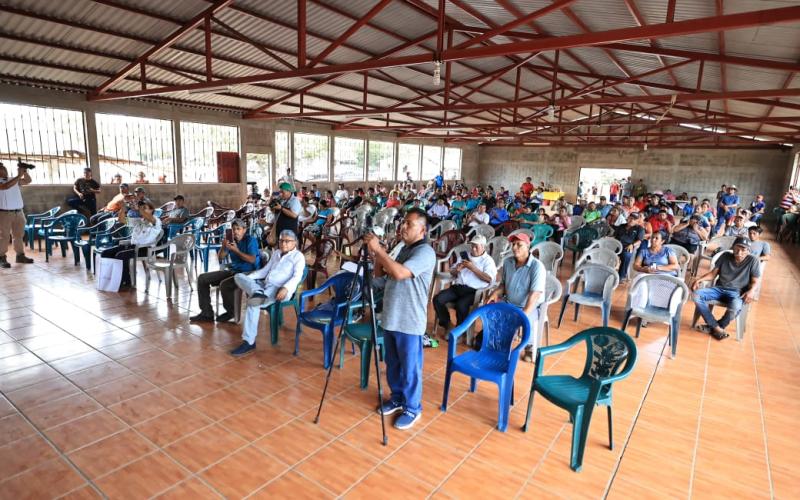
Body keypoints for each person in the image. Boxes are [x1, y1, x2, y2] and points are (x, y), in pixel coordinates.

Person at [369, 209, 436, 430]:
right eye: (403, 223)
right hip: (392, 315)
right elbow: (381, 277)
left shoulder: (425, 252)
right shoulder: (403, 249)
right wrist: (378, 256)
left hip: (409, 319)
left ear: (422, 230)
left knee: (410, 367)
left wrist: (380, 251)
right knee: (393, 364)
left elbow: (399, 273)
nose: (403, 227)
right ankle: (397, 398)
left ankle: (413, 407)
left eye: (409, 224)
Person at [229, 230, 306, 356]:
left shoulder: (298, 257)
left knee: (253, 303)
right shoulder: (276, 253)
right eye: (281, 240)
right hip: (264, 285)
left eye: (287, 241)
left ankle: (249, 342)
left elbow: (297, 277)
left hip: (279, 290)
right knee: (238, 276)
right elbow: (265, 271)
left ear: (295, 243)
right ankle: (257, 292)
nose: (283, 244)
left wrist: (286, 288)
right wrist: (249, 278)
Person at [486, 232, 546, 363]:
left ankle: (529, 346)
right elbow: (503, 285)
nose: (514, 247)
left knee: (527, 319)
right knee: (492, 312)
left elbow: (534, 294)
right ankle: (497, 340)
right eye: (513, 244)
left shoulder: (537, 267)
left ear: (528, 247)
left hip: (528, 305)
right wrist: (495, 294)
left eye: (519, 244)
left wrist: (523, 314)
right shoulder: (508, 262)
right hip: (510, 301)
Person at [692, 237, 761, 341]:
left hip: (737, 292)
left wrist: (751, 291)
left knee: (735, 307)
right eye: (737, 248)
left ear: (748, 251)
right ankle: (716, 328)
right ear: (733, 247)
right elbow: (712, 274)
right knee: (696, 295)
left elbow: (755, 281)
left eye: (744, 249)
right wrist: (699, 280)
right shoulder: (725, 256)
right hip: (719, 289)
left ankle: (714, 327)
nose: (740, 252)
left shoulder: (753, 260)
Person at [191, 219, 260, 323]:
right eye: (233, 229)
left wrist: (236, 251)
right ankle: (206, 313)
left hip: (248, 274)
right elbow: (220, 257)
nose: (235, 231)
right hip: (233, 271)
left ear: (244, 230)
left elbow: (252, 259)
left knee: (225, 285)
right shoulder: (231, 241)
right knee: (202, 278)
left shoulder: (250, 240)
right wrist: (224, 246)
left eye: (238, 229)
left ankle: (231, 312)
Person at [431, 235, 496, 337]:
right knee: (438, 299)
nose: (473, 248)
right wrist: (456, 270)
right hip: (457, 287)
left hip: (473, 291)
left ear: (483, 247)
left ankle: (460, 331)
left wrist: (473, 268)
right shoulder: (465, 256)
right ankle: (447, 324)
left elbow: (489, 279)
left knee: (461, 305)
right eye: (472, 245)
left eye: (476, 246)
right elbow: (452, 272)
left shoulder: (488, 261)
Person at [100, 199, 162, 288]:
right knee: (106, 253)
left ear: (152, 210)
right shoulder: (139, 220)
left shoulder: (156, 221)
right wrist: (123, 207)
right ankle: (110, 277)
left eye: (145, 208)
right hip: (132, 247)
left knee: (121, 255)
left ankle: (125, 280)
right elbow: (121, 220)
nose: (142, 210)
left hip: (145, 249)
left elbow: (149, 218)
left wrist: (139, 209)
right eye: (141, 208)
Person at [0, 162, 34, 268]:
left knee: (18, 236)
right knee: (3, 236)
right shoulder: (8, 181)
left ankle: (20, 256)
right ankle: (1, 257)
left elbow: (28, 181)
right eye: (1, 168)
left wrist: (24, 172)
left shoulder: (12, 179)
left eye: (4, 167)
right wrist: (19, 175)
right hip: (4, 213)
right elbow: (5, 187)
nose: (4, 169)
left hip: (19, 212)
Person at [614, 212, 644, 282]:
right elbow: (615, 236)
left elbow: (639, 241)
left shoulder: (639, 229)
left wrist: (632, 245)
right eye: (630, 218)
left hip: (627, 247)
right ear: (628, 218)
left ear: (637, 221)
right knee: (606, 252)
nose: (631, 220)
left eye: (634, 219)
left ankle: (621, 276)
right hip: (617, 245)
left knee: (626, 255)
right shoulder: (621, 226)